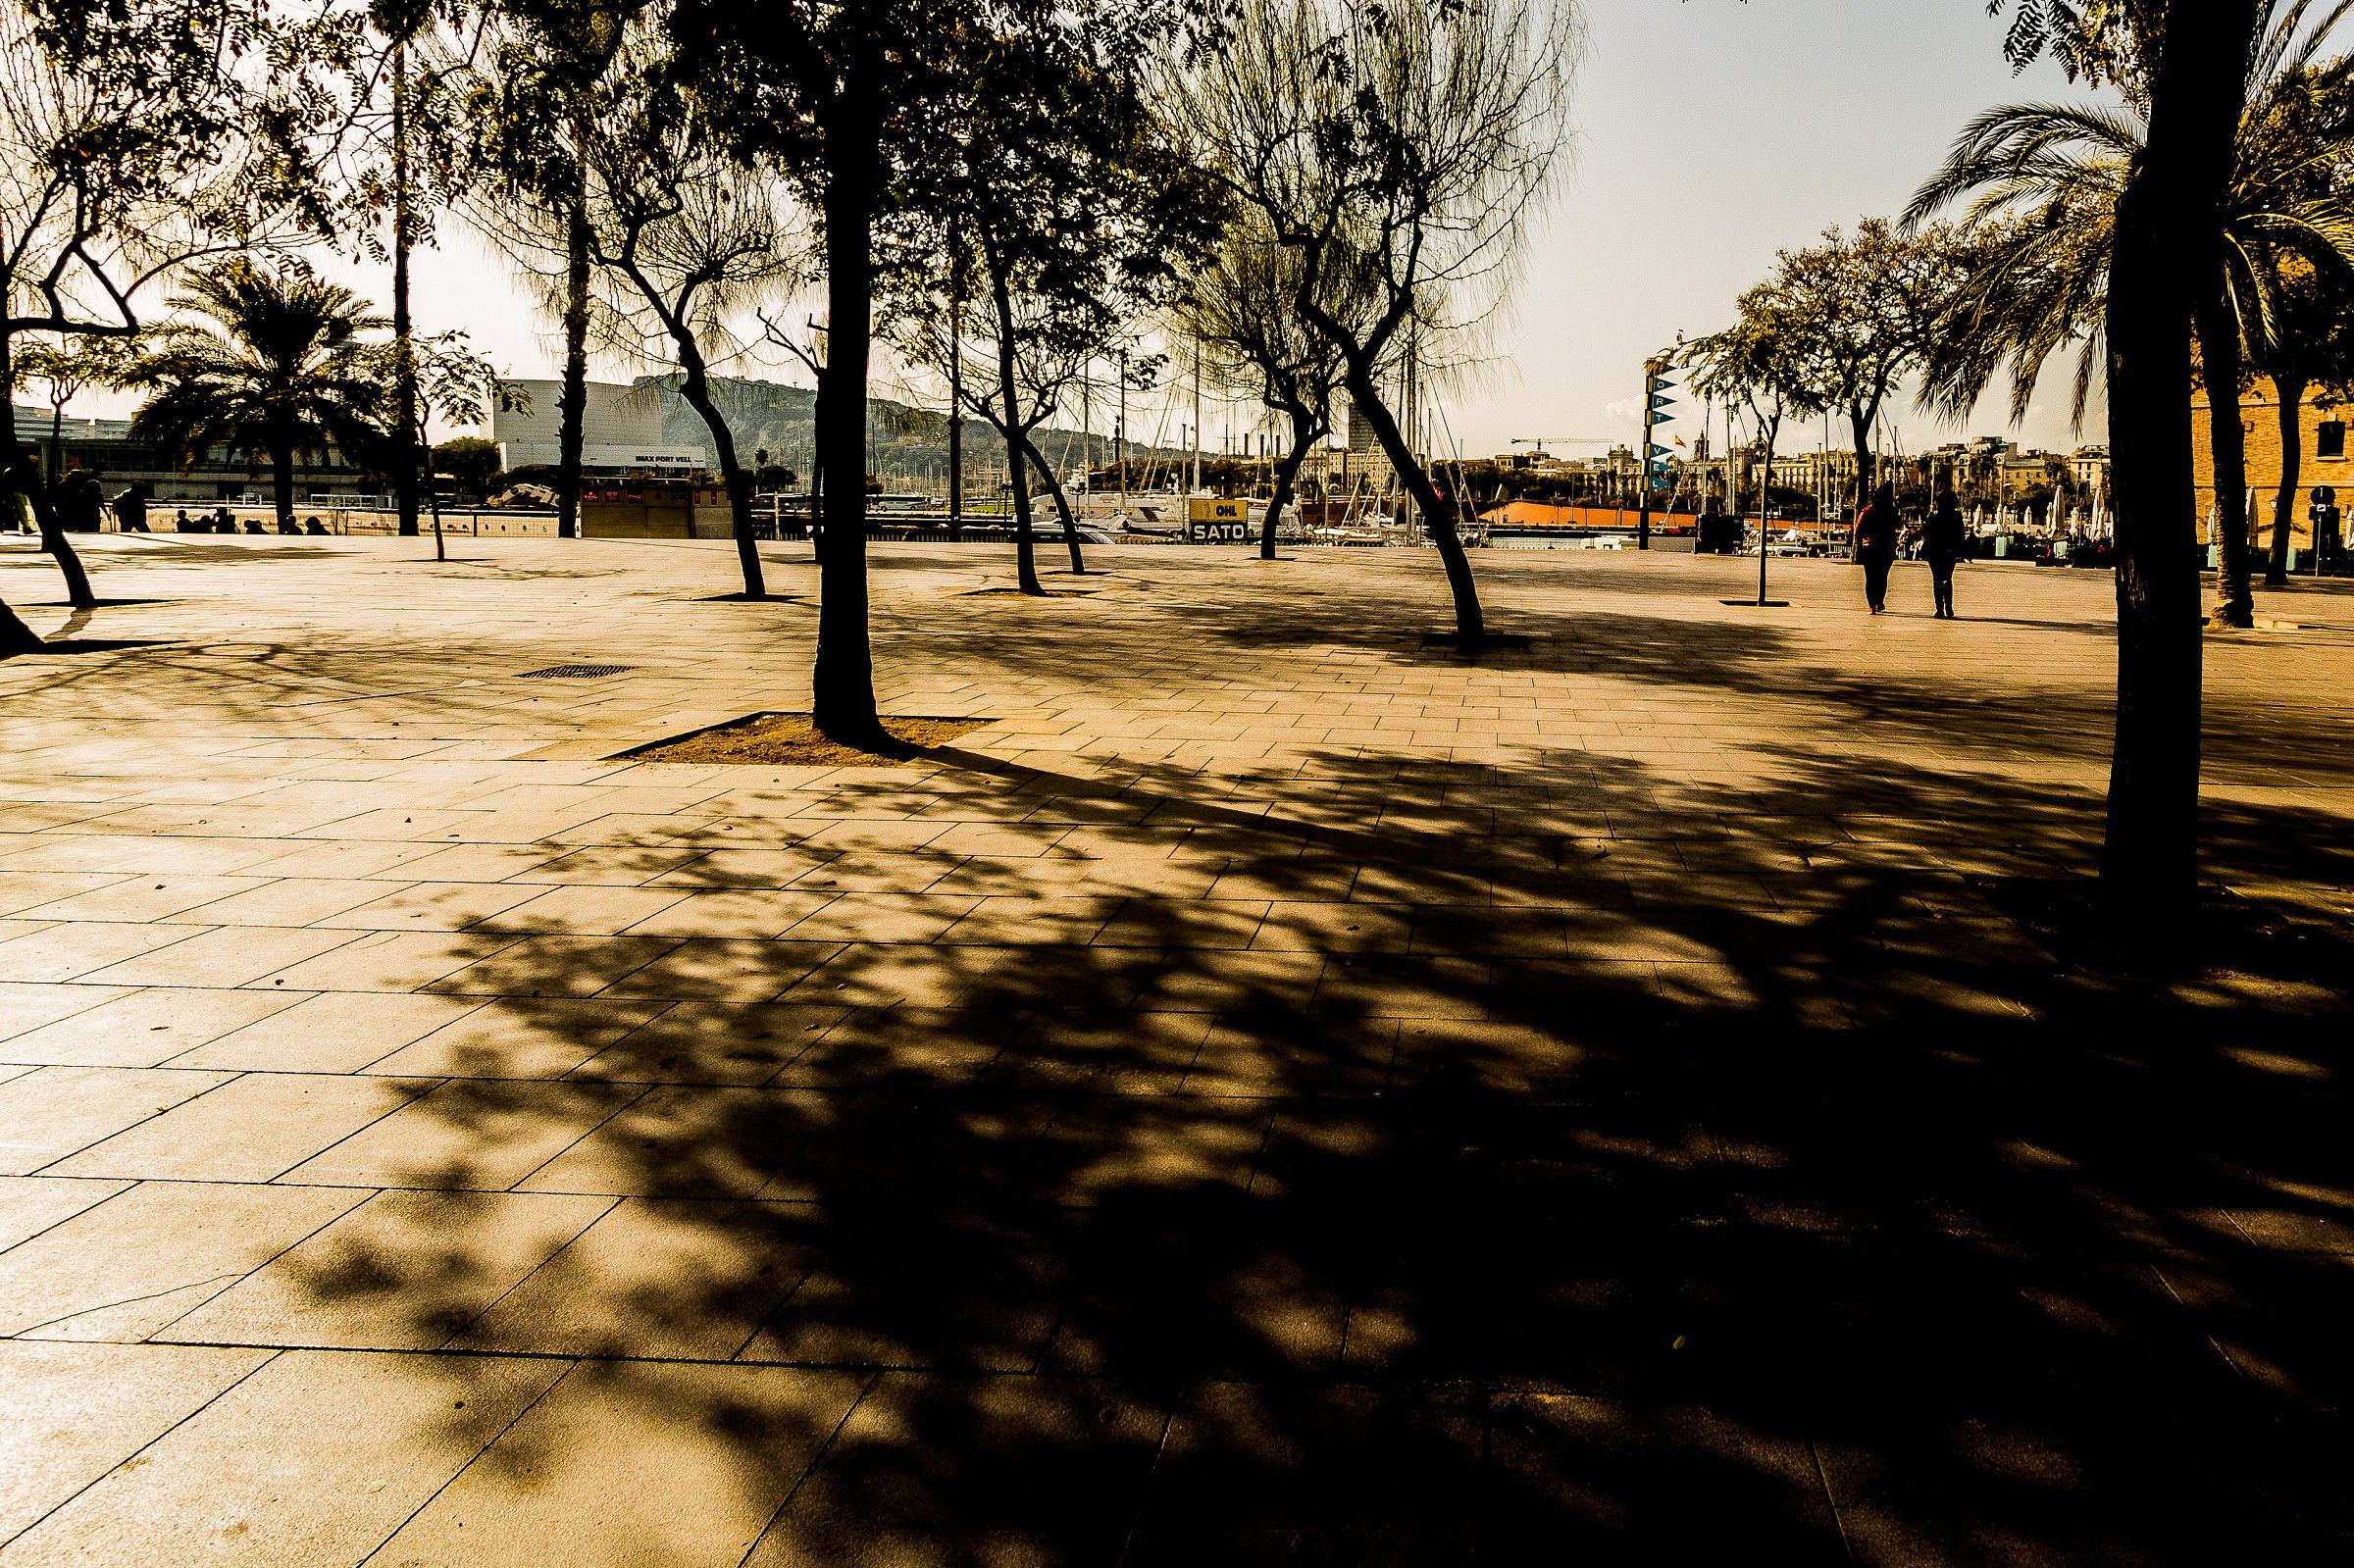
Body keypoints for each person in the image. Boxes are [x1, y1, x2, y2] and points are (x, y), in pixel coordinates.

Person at [1854, 481, 1900, 614]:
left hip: (1870, 547)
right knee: (1882, 576)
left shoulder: (1867, 511)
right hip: (1887, 547)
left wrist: (1863, 543)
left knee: (1871, 577)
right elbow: (1899, 524)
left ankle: (1871, 604)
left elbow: (1858, 530)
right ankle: (1878, 602)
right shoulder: (1891, 512)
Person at [1924, 486, 1964, 618]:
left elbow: (1927, 534)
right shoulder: (1957, 517)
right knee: (1947, 578)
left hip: (1935, 552)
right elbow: (1960, 535)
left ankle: (1939, 608)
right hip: (1950, 551)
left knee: (1937, 579)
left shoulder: (1934, 517)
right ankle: (1949, 607)